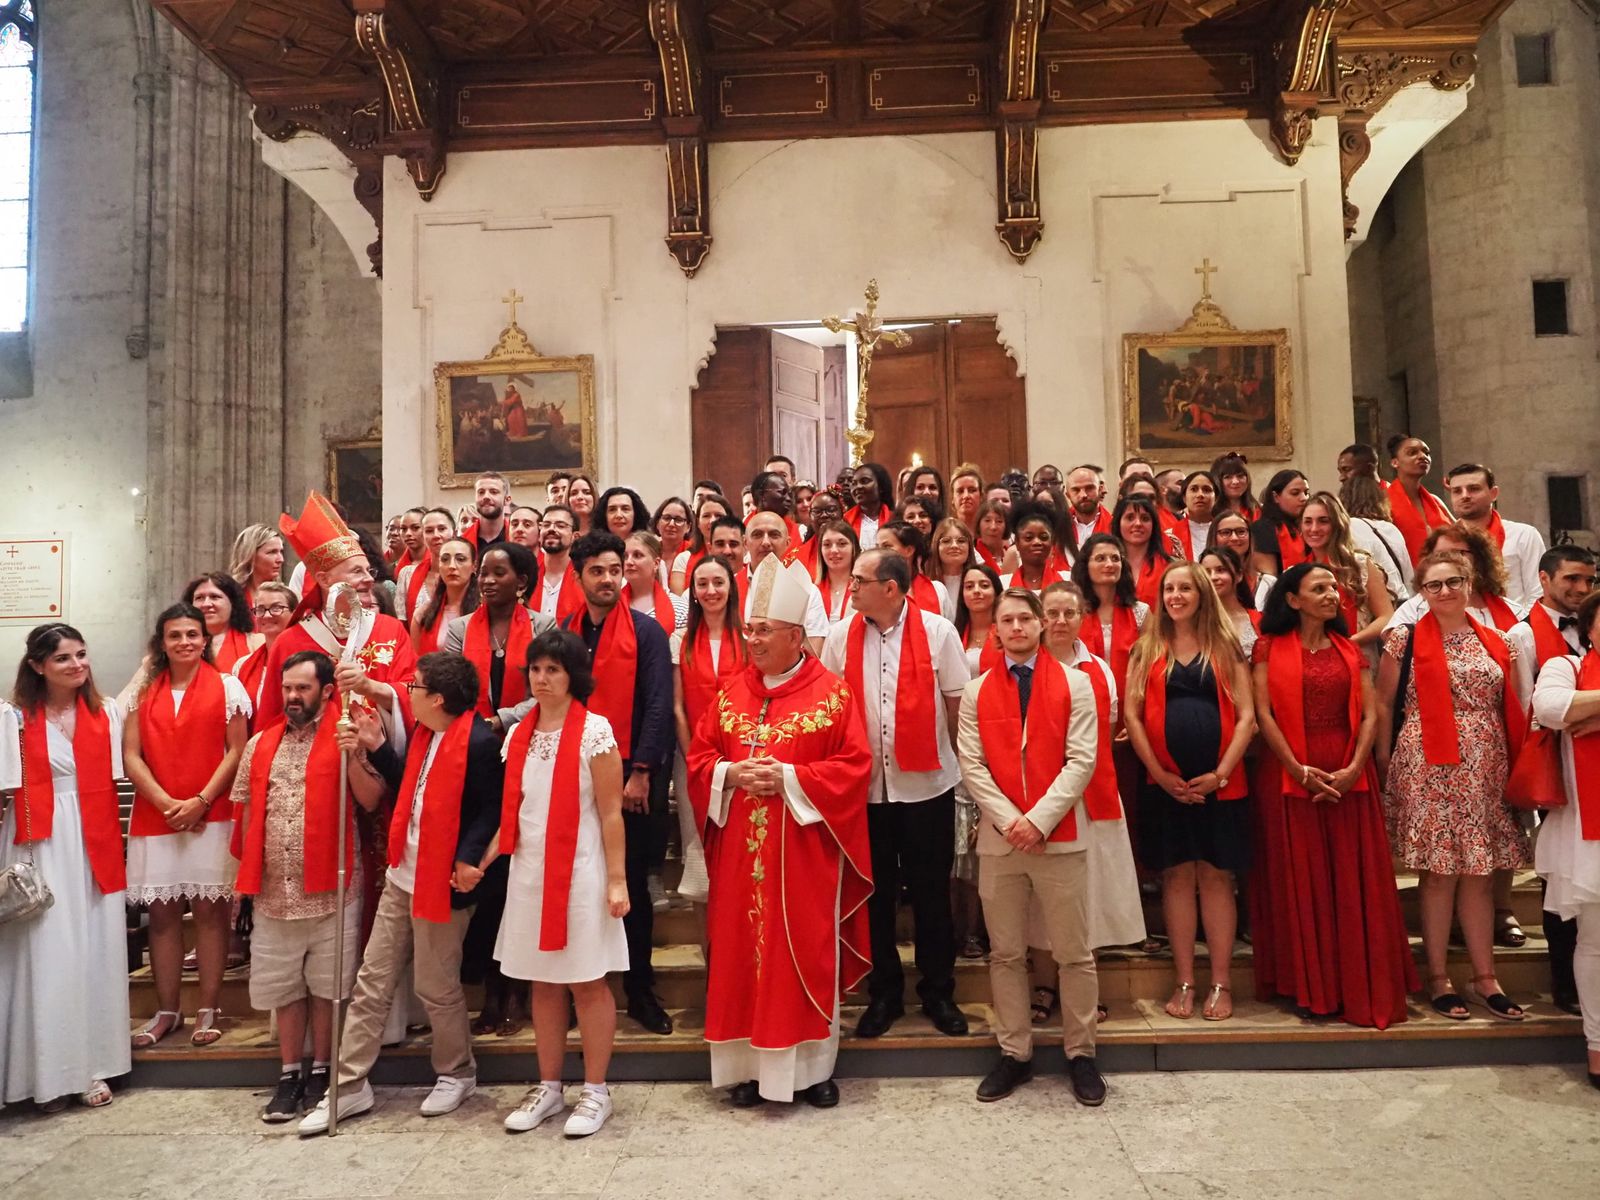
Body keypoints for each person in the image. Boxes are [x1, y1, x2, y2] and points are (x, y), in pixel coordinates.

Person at [686, 555, 873, 1107]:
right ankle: (746, 1071)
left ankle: (811, 1073)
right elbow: (700, 757)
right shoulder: (729, 692)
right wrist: (729, 773)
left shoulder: (833, 693)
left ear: (796, 635)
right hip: (740, 855)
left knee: (802, 954)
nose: (754, 639)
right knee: (744, 955)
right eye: (751, 629)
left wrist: (790, 776)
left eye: (764, 630)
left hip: (805, 854)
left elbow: (854, 767)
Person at [297, 651, 505, 1134]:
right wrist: (373, 746)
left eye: (414, 687)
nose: (408, 692)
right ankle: (349, 1087)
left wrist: (468, 860)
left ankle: (458, 1072)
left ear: (436, 698)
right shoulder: (426, 734)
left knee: (436, 986)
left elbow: (490, 810)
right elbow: (408, 784)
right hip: (402, 874)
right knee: (371, 982)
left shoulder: (476, 742)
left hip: (442, 882)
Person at [955, 586, 1106, 1104]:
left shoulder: (1075, 684)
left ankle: (1082, 1053)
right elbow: (971, 765)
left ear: (1042, 624)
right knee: (1005, 953)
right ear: (994, 629)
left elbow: (1081, 760)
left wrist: (1037, 821)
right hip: (1001, 843)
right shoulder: (977, 691)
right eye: (1007, 620)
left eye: (1025, 618)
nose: (1017, 628)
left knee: (1073, 953)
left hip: (1059, 838)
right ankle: (1014, 1052)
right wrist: (1011, 821)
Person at [1249, 565, 1417, 1027]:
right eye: (1318, 588)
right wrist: (1297, 770)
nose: (1331, 595)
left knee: (1347, 880)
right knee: (1299, 880)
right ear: (1293, 600)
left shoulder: (1350, 648)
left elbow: (1369, 715)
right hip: (1289, 775)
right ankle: (1309, 987)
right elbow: (1263, 715)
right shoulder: (1268, 647)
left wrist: (1354, 768)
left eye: (1333, 587)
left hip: (1347, 775)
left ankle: (1351, 983)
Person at [822, 548, 972, 1039]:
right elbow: (833, 708)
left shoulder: (938, 632)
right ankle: (883, 993)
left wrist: (951, 764)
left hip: (927, 785)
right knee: (876, 896)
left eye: (860, 579)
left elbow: (955, 706)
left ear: (890, 587)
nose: (851, 586)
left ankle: (938, 992)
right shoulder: (843, 634)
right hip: (865, 790)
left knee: (932, 895)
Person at [1376, 551, 1529, 1022]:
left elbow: (1516, 705)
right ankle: (1439, 976)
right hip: (1427, 766)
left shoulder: (1500, 641)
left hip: (1486, 767)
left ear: (1469, 583)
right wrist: (1382, 761)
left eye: (1453, 582)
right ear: (1421, 592)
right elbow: (1382, 705)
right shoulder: (1402, 639)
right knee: (1439, 874)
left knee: (1480, 877)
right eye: (1434, 584)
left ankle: (1485, 979)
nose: (1444, 591)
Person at [487, 629, 626, 1138]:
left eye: (554, 670)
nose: (542, 680)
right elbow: (516, 811)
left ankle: (596, 1091)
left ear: (573, 677)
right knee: (542, 981)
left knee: (587, 980)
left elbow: (611, 813)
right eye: (536, 670)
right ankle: (549, 1086)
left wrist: (617, 881)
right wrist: (480, 861)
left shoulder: (595, 732)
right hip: (529, 872)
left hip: (583, 870)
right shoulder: (517, 733)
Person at [232, 651, 380, 1122]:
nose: (293, 697)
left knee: (327, 986)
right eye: (288, 688)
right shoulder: (260, 743)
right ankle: (289, 1073)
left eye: (303, 689)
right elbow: (250, 810)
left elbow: (372, 799)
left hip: (333, 885)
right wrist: (244, 883)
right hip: (274, 888)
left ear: (327, 691)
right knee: (284, 988)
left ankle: (323, 1069)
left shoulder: (346, 736)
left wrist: (352, 752)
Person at [0, 624, 130, 1112]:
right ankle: (42, 1071)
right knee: (46, 948)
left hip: (92, 839)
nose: (77, 665)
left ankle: (90, 1064)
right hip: (40, 840)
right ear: (37, 666)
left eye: (81, 655)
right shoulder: (11, 719)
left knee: (92, 946)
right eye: (63, 659)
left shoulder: (106, 712)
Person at [1124, 562, 1255, 1022]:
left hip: (1222, 783)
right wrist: (1158, 774)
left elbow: (1246, 718)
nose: (1176, 596)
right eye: (1169, 588)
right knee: (1177, 878)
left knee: (1217, 877)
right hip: (1165, 785)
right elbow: (1133, 716)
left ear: (1202, 593)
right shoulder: (1147, 647)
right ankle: (1184, 979)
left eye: (1185, 588)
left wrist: (1220, 773)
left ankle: (1220, 981)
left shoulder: (1226, 646)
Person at [560, 530, 675, 1035]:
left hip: (631, 775)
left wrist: (643, 772)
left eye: (616, 569)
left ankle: (640, 991)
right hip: (575, 775)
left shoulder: (646, 632)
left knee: (631, 889)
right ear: (579, 575)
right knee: (579, 884)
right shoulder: (564, 632)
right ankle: (579, 987)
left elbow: (656, 704)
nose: (609, 579)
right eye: (598, 571)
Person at [123, 604, 251, 1050]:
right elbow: (131, 755)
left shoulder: (228, 687)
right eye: (174, 635)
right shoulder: (143, 691)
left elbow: (236, 752)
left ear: (204, 640)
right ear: (162, 642)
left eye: (192, 635)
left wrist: (199, 801)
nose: (184, 643)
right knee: (161, 917)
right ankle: (167, 1010)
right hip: (154, 816)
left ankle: (209, 1008)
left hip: (210, 816)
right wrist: (163, 802)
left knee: (210, 915)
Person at [1531, 589, 1600, 1087]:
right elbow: (1553, 708)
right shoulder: (1564, 666)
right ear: (1589, 628)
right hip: (1588, 831)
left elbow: (1578, 716)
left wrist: (1589, 715)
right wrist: (1581, 711)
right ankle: (1598, 1048)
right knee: (1596, 943)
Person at [671, 556, 746, 916]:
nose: (711, 590)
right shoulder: (680, 641)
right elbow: (677, 707)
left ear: (730, 588)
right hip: (695, 763)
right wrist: (695, 757)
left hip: (743, 761)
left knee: (740, 853)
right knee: (700, 848)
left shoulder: (749, 638)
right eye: (703, 584)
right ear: (693, 592)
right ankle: (710, 951)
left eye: (718, 582)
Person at [442, 543, 553, 732]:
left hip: (531, 731)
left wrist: (500, 720)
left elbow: (550, 690)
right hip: (472, 735)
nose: (488, 581)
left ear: (521, 582)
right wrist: (479, 727)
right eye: (484, 574)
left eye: (499, 573)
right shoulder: (459, 628)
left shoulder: (543, 626)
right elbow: (451, 688)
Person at [1299, 492, 1393, 660]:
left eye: (1323, 521)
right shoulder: (1296, 572)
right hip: (1313, 662)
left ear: (1337, 524)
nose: (1314, 528)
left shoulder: (1361, 565)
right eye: (1308, 521)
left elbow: (1386, 617)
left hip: (1359, 656)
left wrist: (1348, 643)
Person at [1385, 523, 1526, 633]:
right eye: (1440, 554)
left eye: (1458, 553)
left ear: (1478, 558)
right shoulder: (1413, 610)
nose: (1448, 561)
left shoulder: (1514, 612)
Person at [1445, 462, 1546, 607]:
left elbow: (1538, 592)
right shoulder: (1443, 542)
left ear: (1494, 493)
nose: (1465, 496)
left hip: (1514, 624)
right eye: (1457, 491)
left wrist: (1522, 628)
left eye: (1473, 489)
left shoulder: (1523, 535)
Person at [1071, 533, 1151, 706]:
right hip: (1082, 707)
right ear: (1086, 566)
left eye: (1115, 558)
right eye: (1100, 558)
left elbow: (1149, 668)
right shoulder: (1073, 613)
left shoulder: (1141, 612)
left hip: (1131, 706)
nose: (1109, 564)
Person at [740, 511, 829, 652]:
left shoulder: (806, 590)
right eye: (757, 535)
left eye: (774, 535)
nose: (766, 542)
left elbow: (814, 651)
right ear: (745, 543)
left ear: (788, 543)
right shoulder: (728, 587)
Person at [1339, 461, 1411, 603]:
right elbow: (1409, 575)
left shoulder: (1351, 526)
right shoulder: (1391, 528)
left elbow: (1361, 573)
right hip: (1404, 600)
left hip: (1382, 602)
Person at [1384, 435, 1452, 566]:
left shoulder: (1435, 501)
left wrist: (1457, 492)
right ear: (1395, 462)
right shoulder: (1383, 501)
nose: (1422, 456)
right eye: (1412, 453)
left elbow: (1463, 534)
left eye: (1426, 452)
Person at [236, 581, 299, 720]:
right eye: (260, 609)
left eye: (276, 608)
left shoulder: (307, 663)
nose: (267, 615)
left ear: (295, 613)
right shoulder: (242, 666)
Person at [410, 536, 478, 655]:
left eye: (460, 559)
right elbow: (417, 663)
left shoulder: (485, 610)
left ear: (474, 566)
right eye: (445, 559)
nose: (452, 566)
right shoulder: (423, 614)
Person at [184, 572, 263, 674]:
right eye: (199, 598)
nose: (206, 604)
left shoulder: (258, 643)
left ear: (233, 603)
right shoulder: (176, 645)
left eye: (214, 597)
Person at [876, 520, 948, 616]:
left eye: (887, 546)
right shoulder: (870, 590)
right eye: (877, 547)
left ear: (909, 550)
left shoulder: (938, 590)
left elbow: (946, 628)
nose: (879, 552)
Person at [1200, 546, 1261, 658]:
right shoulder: (1195, 622)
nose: (1213, 577)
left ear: (1239, 575)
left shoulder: (1260, 620)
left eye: (1221, 570)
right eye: (1206, 572)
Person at [397, 507, 456, 623]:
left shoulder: (465, 573)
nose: (436, 535)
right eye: (429, 531)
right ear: (423, 535)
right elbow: (402, 622)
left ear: (454, 532)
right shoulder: (408, 574)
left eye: (442, 529)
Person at [1114, 495, 1174, 607]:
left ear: (1154, 525)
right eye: (1130, 518)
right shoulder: (1106, 565)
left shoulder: (1170, 566)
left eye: (1145, 518)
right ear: (1118, 522)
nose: (1138, 524)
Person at [1208, 511, 1275, 609]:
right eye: (1225, 533)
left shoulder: (1269, 583)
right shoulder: (1201, 582)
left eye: (1241, 532)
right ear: (1214, 537)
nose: (1234, 538)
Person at [1251, 469, 1310, 579]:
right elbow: (1269, 579)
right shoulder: (1261, 529)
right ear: (1276, 497)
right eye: (1295, 493)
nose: (1304, 498)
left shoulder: (1309, 527)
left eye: (1306, 493)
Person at [623, 531, 686, 633]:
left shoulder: (679, 609)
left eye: (637, 555)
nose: (628, 562)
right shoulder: (610, 605)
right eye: (625, 556)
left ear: (656, 563)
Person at [534, 505, 586, 624]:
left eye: (560, 525)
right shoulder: (527, 575)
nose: (551, 529)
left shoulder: (585, 577)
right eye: (546, 525)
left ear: (575, 536)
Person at [1004, 502, 1070, 592]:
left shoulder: (1068, 581)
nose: (1037, 542)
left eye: (1043, 537)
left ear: (1052, 541)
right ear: (1017, 542)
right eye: (1028, 538)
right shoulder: (1003, 584)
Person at [676, 493, 734, 590]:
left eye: (718, 515)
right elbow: (678, 602)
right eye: (706, 516)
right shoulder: (683, 559)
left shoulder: (741, 557)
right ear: (698, 522)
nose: (712, 521)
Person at [956, 562, 1004, 674]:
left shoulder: (1007, 631)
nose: (976, 591)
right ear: (962, 595)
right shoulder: (954, 634)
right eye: (969, 587)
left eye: (984, 586)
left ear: (996, 593)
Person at [230, 523, 287, 609]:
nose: (281, 559)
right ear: (250, 555)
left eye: (281, 552)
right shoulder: (230, 597)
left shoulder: (287, 598)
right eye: (272, 552)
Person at [931, 517, 976, 623]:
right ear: (936, 546)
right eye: (946, 541)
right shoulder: (927, 585)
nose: (954, 546)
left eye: (961, 541)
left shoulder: (979, 584)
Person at [816, 518, 859, 624]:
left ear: (854, 548)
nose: (834, 550)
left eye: (842, 544)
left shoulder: (865, 589)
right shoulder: (811, 590)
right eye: (827, 545)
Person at [1063, 465, 1113, 555]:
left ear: (1100, 490)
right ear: (1068, 495)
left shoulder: (1115, 526)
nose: (1083, 495)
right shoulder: (1058, 528)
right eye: (1076, 490)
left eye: (1089, 488)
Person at [459, 471, 511, 552]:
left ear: (507, 500)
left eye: (494, 492)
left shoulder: (517, 539)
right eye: (481, 492)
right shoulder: (462, 543)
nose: (486, 496)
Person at [1172, 471, 1219, 561]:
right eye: (1194, 489)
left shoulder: (1225, 531)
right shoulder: (1171, 535)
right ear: (1184, 498)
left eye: (1207, 490)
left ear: (1216, 498)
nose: (1200, 495)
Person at [844, 461, 895, 543]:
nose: (858, 487)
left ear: (881, 486)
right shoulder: (845, 521)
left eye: (864, 481)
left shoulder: (894, 519)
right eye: (854, 483)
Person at [650, 496, 693, 592]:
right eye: (666, 518)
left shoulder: (694, 552)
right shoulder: (648, 552)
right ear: (657, 523)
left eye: (678, 520)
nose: (671, 524)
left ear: (688, 527)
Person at [1211, 452, 1258, 522]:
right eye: (1228, 477)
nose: (1235, 481)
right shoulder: (1209, 511)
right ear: (1217, 480)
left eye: (1240, 476)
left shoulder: (1258, 511)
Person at [974, 497, 1014, 572]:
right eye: (987, 520)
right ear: (978, 525)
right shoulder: (974, 558)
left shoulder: (1013, 554)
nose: (993, 527)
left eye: (999, 521)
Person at [950, 463, 984, 531]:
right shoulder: (945, 533)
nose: (966, 496)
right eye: (960, 491)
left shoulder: (990, 532)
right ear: (952, 498)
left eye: (972, 490)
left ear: (981, 496)